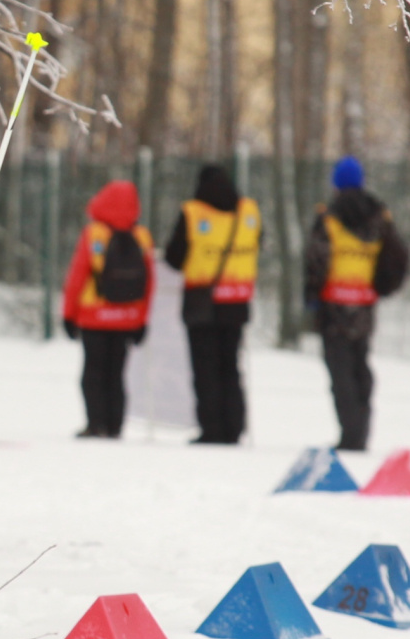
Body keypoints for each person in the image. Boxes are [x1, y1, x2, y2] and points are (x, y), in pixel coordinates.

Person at [304, 156, 410, 451]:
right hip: (364, 306)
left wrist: (312, 295)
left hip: (333, 306)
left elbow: (317, 259)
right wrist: (382, 287)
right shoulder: (380, 218)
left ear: (336, 184)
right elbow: (398, 258)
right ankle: (361, 430)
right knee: (360, 366)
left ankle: (350, 434)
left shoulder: (329, 218)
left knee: (340, 372)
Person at [163, 164, 261, 444]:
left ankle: (212, 428)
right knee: (231, 366)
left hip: (202, 302)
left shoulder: (193, 213)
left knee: (205, 368)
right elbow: (259, 243)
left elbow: (174, 257)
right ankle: (234, 427)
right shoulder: (248, 212)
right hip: (237, 302)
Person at [61, 180, 154, 438]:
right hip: (127, 319)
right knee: (117, 374)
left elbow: (77, 277)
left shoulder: (94, 234)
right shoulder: (142, 236)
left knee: (93, 373)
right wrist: (142, 319)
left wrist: (69, 314)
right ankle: (115, 426)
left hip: (94, 317)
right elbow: (149, 283)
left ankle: (96, 424)